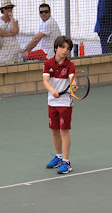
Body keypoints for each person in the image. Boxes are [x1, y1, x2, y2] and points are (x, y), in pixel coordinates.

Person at [43, 36, 76, 174]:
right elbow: (45, 81)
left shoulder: (70, 65)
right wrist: (53, 91)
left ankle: (66, 162)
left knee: (64, 131)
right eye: (62, 47)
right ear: (56, 47)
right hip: (52, 102)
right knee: (54, 130)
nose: (65, 50)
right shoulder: (48, 63)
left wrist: (73, 85)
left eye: (68, 48)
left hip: (65, 103)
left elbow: (72, 80)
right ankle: (58, 157)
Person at [0, 0, 20, 65]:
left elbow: (15, 31)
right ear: (2, 9)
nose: (9, 9)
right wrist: (11, 34)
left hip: (12, 47)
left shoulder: (15, 20)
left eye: (11, 7)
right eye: (6, 8)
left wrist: (12, 18)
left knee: (13, 65)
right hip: (1, 47)